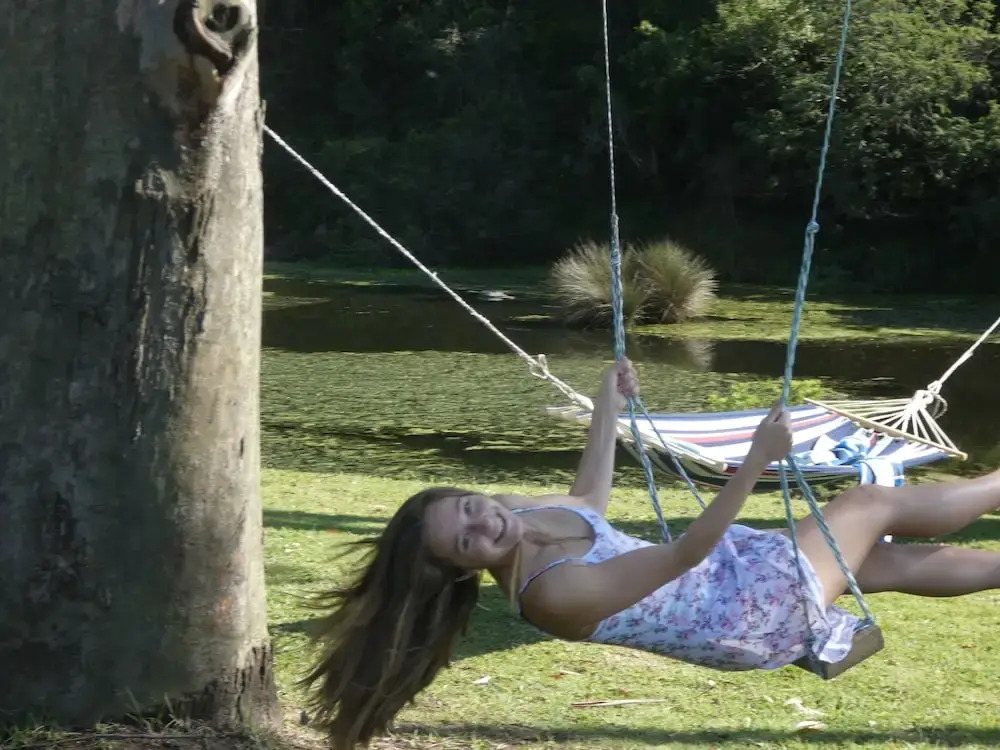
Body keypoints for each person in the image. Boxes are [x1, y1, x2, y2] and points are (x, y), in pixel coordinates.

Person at [303, 359, 1000, 749]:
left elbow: (588, 499)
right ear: (461, 569)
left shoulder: (523, 517)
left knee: (878, 565)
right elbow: (684, 554)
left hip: (736, 577)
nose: (483, 523)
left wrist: (607, 403)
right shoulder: (552, 594)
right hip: (749, 616)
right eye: (466, 542)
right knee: (869, 505)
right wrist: (756, 461)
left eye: (468, 507)